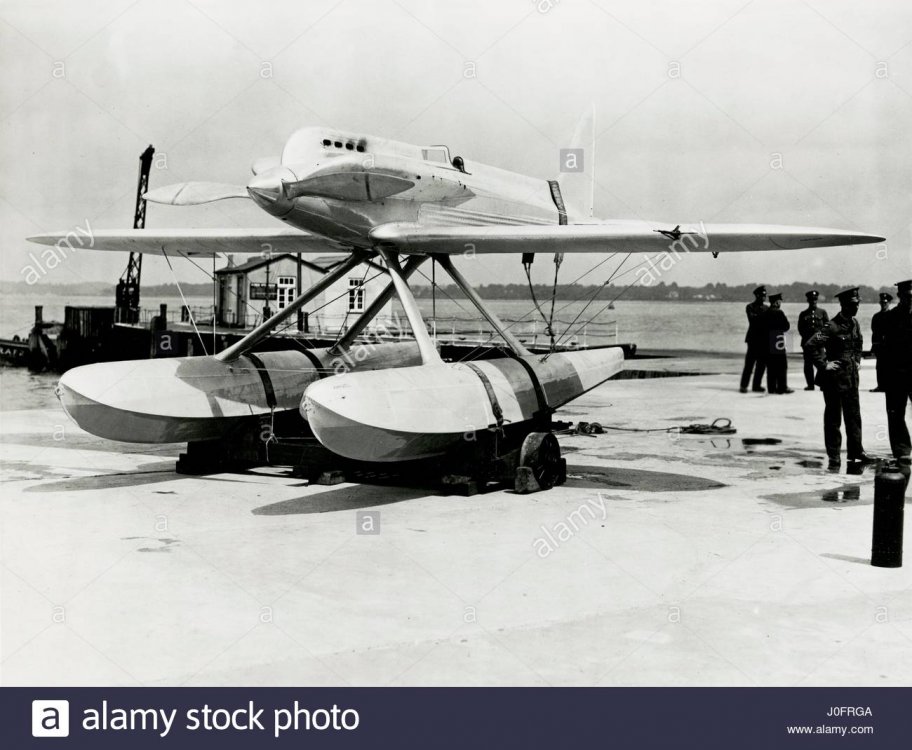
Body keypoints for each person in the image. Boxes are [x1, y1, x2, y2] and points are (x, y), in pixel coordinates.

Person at [806, 287, 875, 469]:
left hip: (851, 378)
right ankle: (834, 456)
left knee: (854, 417)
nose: (856, 307)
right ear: (844, 305)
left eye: (858, 303)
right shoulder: (831, 326)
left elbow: (859, 343)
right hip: (834, 380)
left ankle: (856, 452)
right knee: (833, 419)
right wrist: (823, 364)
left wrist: (858, 359)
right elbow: (811, 343)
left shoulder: (855, 324)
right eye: (853, 304)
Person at [879, 280, 911, 464]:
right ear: (899, 296)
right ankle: (902, 450)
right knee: (895, 413)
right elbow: (884, 349)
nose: (911, 300)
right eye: (907, 296)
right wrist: (884, 378)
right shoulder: (890, 318)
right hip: (896, 374)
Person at [797, 290, 829, 390]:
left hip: (819, 344)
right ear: (808, 300)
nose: (813, 301)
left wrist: (822, 340)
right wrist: (807, 340)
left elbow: (827, 328)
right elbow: (800, 329)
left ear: (817, 300)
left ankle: (822, 384)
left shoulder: (822, 312)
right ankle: (810, 385)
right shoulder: (803, 314)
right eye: (811, 299)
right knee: (808, 365)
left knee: (822, 363)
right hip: (807, 343)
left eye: (815, 299)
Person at [740, 285, 768, 393]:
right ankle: (744, 386)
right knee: (749, 364)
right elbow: (753, 320)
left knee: (761, 364)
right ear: (757, 295)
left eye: (765, 295)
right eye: (762, 295)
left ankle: (756, 385)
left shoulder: (767, 308)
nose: (764, 297)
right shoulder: (750, 307)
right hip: (753, 340)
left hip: (763, 340)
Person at [765, 293, 793, 394]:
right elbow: (786, 326)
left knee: (771, 366)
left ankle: (771, 388)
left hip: (767, 341)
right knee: (782, 365)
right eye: (780, 301)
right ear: (777, 302)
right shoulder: (779, 313)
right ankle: (782, 387)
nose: (780, 303)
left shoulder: (765, 312)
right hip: (778, 340)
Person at [869, 292, 893, 392]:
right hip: (880, 346)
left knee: (890, 366)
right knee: (880, 367)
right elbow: (874, 332)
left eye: (885, 303)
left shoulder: (893, 316)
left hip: (890, 346)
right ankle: (881, 386)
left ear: (889, 303)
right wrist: (873, 346)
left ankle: (889, 386)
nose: (883, 304)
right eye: (882, 303)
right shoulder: (876, 316)